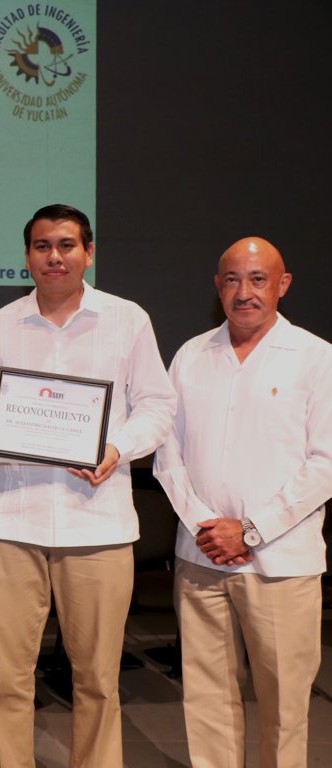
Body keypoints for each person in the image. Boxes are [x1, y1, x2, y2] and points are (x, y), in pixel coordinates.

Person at [0, 204, 176, 768]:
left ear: (89, 251)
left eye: (66, 245)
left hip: (96, 521)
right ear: (26, 255)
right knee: (8, 676)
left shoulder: (128, 320)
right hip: (10, 519)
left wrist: (116, 448)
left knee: (99, 678)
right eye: (41, 246)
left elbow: (157, 407)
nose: (53, 257)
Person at [154, 237, 332, 768]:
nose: (244, 292)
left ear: (283, 285)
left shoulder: (316, 357)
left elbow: (324, 464)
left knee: (284, 708)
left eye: (258, 279)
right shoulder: (190, 355)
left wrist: (250, 530)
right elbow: (167, 453)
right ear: (217, 286)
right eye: (232, 279)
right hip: (202, 557)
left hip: (281, 564)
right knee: (207, 701)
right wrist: (208, 527)